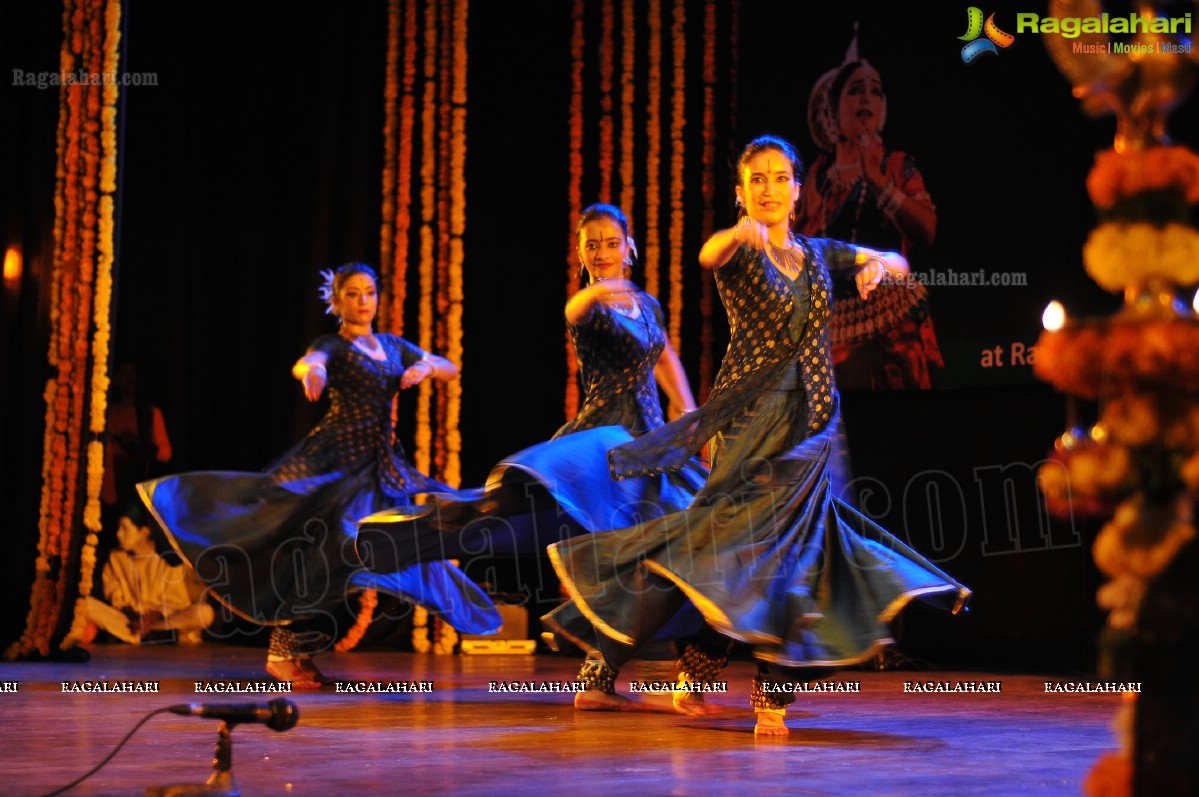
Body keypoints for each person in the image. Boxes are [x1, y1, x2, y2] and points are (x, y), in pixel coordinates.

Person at [547, 136, 970, 735]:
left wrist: (880, 263)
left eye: (780, 178)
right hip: (753, 428)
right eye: (757, 180)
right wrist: (740, 233)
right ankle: (688, 674)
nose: (770, 189)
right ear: (742, 193)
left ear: (798, 189)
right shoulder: (741, 250)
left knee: (795, 555)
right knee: (729, 551)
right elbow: (708, 254)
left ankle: (709, 673)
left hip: (817, 426)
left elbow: (899, 263)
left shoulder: (820, 253)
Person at [356, 206, 706, 706]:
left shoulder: (647, 305)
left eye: (611, 243)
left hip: (651, 441)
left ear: (629, 247)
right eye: (592, 245)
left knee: (665, 549)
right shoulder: (590, 305)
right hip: (605, 441)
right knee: (518, 519)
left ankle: (602, 679)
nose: (602, 253)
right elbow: (575, 311)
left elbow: (666, 357)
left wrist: (690, 415)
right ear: (582, 254)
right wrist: (604, 287)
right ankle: (414, 529)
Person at [139, 263, 500, 687]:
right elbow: (310, 361)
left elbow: (447, 366)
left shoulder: (391, 345)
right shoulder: (334, 344)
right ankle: (284, 650)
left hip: (379, 469)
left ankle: (294, 650)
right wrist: (312, 371)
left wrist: (425, 368)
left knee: (362, 554)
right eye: (352, 294)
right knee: (335, 549)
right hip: (333, 462)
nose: (363, 301)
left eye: (369, 292)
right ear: (337, 301)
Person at [796, 48, 943, 390]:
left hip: (892, 326)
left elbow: (926, 231)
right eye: (856, 90)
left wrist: (877, 180)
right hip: (832, 329)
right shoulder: (817, 177)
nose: (867, 98)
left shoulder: (895, 165)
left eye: (874, 91)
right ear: (833, 110)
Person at [85, 504, 214, 645]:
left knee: (205, 613)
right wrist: (136, 618)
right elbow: (115, 598)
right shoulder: (116, 557)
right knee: (84, 604)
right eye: (118, 528)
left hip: (163, 620)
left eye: (125, 529)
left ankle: (151, 633)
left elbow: (179, 601)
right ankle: (152, 635)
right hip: (130, 621)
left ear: (144, 532)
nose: (118, 534)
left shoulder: (167, 556)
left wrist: (151, 618)